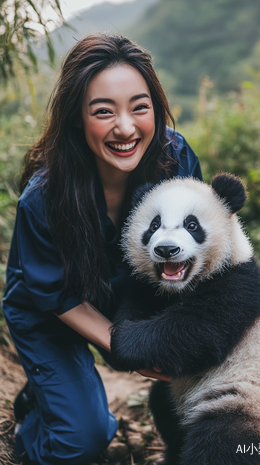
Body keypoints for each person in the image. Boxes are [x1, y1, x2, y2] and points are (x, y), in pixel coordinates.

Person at [2, 34, 202, 465]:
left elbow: (198, 251)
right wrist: (129, 347)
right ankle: (39, 417)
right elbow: (55, 295)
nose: (126, 128)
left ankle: (55, 391)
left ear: (156, 107)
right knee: (83, 441)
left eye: (140, 107)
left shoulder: (175, 158)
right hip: (50, 308)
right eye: (103, 111)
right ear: (77, 117)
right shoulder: (43, 198)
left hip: (125, 292)